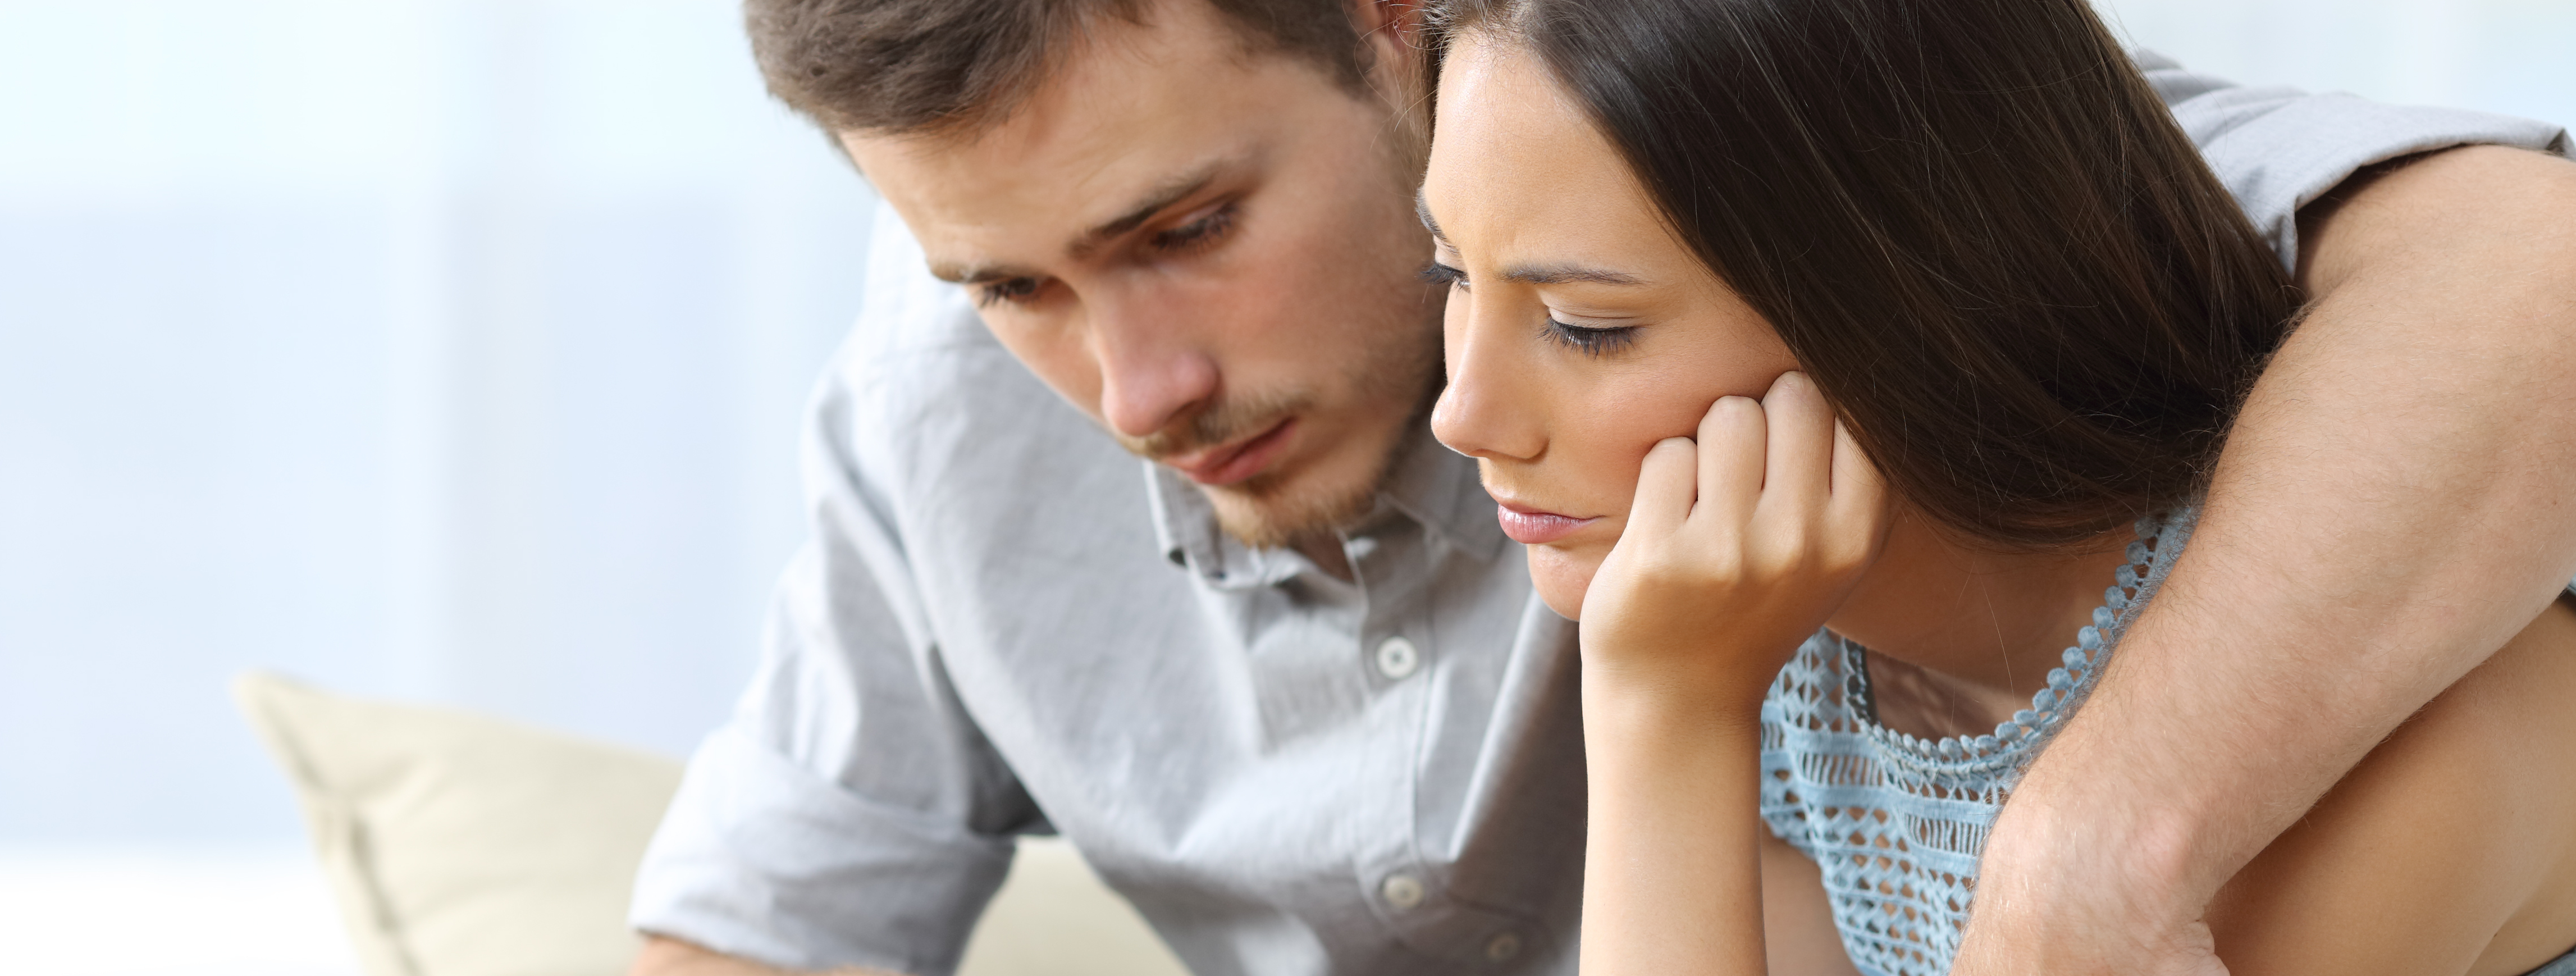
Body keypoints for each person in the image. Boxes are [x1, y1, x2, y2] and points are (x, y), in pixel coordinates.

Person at [626, 1, 2576, 973]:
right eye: (1006, 288)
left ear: (1388, 34)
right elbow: (759, 915)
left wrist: (2100, 854)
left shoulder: (1729, 100)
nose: (1138, 389)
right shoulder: (1797, 689)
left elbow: (2530, 267)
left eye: (1191, 227)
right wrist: (1661, 705)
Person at [1418, 0, 2576, 973]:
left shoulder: (2329, 736)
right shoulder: (1759, 646)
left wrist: (1663, 713)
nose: (1462, 415)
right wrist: (1666, 708)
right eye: (1451, 275)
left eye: (1586, 325)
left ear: (1913, 298)